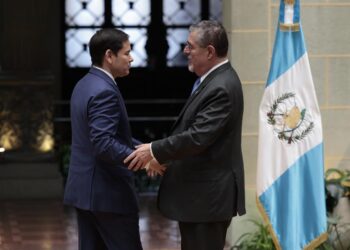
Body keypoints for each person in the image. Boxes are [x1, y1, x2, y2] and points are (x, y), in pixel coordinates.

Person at [125, 20, 246, 250]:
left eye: (190, 46)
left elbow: (197, 137)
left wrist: (153, 150)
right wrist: (162, 157)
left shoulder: (221, 86)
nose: (185, 51)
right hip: (199, 198)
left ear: (210, 51)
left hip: (207, 198)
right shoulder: (210, 81)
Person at [63, 28, 144, 250]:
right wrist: (143, 158)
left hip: (86, 193)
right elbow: (103, 143)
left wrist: (146, 149)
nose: (131, 58)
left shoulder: (84, 84)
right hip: (109, 195)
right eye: (127, 53)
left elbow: (103, 136)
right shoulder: (104, 91)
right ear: (109, 55)